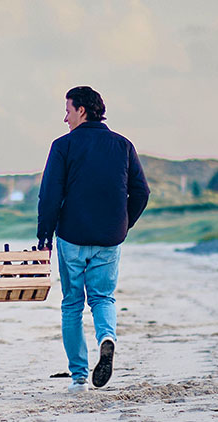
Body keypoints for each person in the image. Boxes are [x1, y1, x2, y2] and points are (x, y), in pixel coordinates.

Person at [37, 86, 150, 393]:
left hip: (72, 236)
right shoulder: (123, 145)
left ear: (82, 111)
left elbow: (50, 195)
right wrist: (123, 225)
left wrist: (44, 236)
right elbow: (141, 192)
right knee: (103, 298)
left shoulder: (63, 146)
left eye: (68, 110)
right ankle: (106, 338)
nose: (65, 118)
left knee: (72, 304)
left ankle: (78, 377)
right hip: (109, 238)